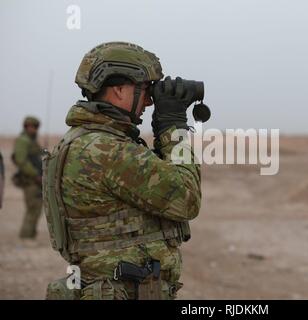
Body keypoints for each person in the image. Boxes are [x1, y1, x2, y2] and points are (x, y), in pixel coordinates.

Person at [44, 42, 202, 300]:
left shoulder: (84, 140)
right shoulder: (105, 149)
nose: (150, 100)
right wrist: (173, 129)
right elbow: (186, 199)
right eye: (144, 89)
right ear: (118, 90)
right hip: (123, 289)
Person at [12, 116, 43, 238]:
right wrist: (35, 175)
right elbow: (21, 161)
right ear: (26, 127)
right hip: (30, 181)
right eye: (30, 126)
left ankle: (30, 235)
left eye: (35, 127)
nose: (33, 129)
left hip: (36, 180)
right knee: (32, 208)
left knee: (36, 208)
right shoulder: (23, 140)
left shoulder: (32, 141)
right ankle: (26, 236)